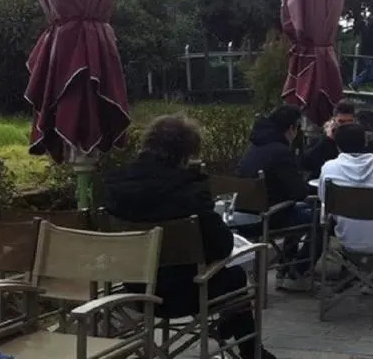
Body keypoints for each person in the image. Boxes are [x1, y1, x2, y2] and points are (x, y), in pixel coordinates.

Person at [102, 116, 278, 359]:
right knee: (236, 275)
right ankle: (249, 350)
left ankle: (233, 328)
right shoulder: (189, 190)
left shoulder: (115, 186)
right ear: (186, 154)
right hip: (185, 294)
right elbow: (221, 246)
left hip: (133, 289)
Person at [235, 105, 315, 292]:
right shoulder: (281, 151)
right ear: (291, 128)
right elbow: (299, 192)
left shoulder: (254, 146)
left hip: (242, 215)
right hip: (266, 217)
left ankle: (285, 269)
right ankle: (296, 272)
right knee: (317, 216)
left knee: (297, 209)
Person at [318, 123, 373, 254]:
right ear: (365, 142)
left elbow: (324, 200)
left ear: (337, 146)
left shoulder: (329, 169)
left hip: (347, 239)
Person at [302, 101, 354, 178]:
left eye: (349, 122)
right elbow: (306, 162)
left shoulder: (358, 138)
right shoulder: (323, 138)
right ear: (334, 121)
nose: (345, 126)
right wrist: (328, 139)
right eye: (341, 122)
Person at [349, 15, 373, 95]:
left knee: (369, 70)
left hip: (365, 52)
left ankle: (355, 84)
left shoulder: (366, 29)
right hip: (370, 53)